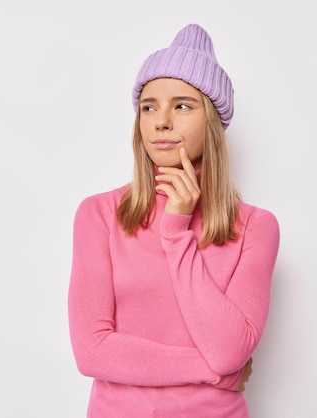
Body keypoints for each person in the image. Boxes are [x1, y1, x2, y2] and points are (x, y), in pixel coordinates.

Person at [67, 24, 280, 417]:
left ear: (211, 121)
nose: (161, 121)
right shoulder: (98, 215)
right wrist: (214, 372)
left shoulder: (255, 227)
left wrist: (177, 231)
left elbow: (230, 350)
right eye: (149, 106)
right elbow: (92, 350)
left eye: (182, 105)